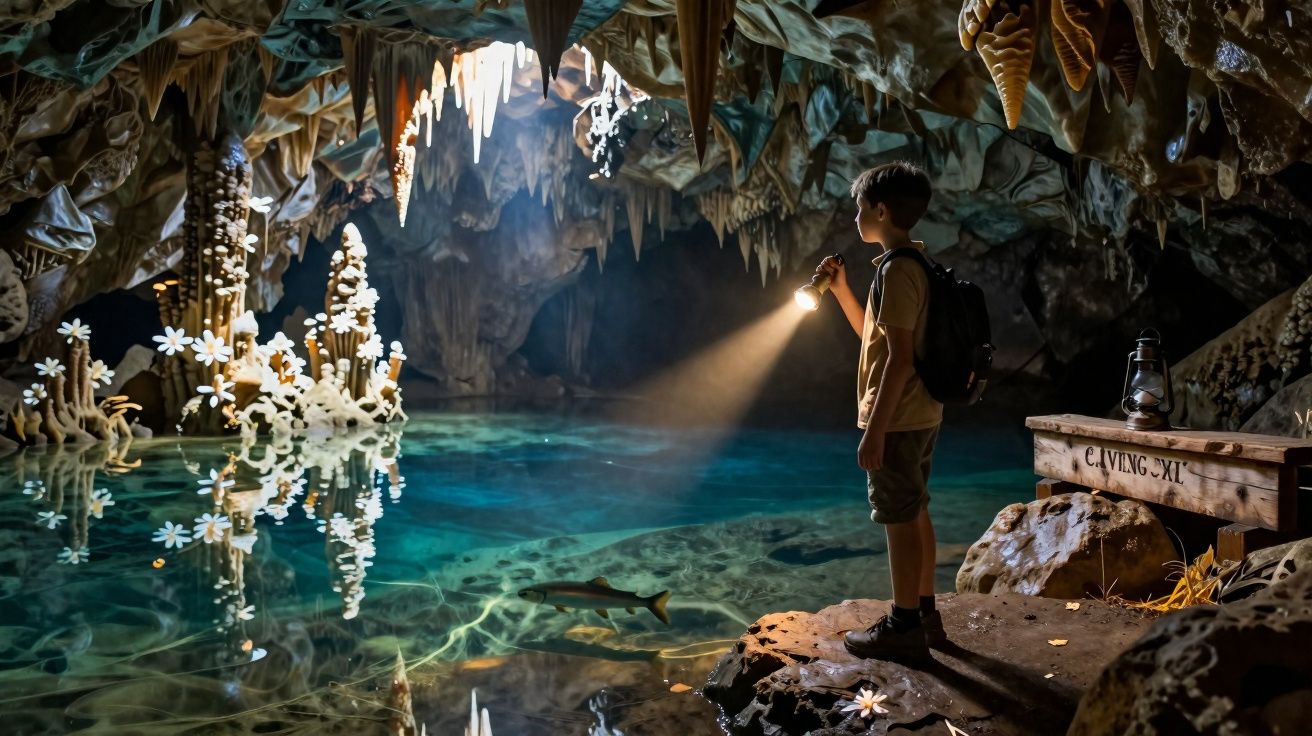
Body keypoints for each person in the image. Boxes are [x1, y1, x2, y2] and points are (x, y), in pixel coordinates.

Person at [816, 161, 945, 663]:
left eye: (860, 208)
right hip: (922, 412)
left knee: (897, 517)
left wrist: (876, 429)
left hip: (900, 416)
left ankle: (903, 624)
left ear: (881, 210)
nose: (854, 217)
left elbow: (899, 360)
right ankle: (926, 614)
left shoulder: (897, 272)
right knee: (916, 510)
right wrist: (842, 289)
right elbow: (875, 336)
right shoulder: (913, 264)